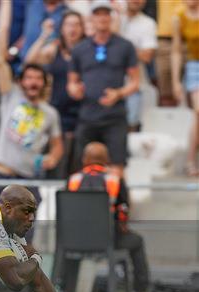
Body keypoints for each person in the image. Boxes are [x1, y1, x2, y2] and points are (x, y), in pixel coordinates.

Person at [0, 6, 63, 243]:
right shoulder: (11, 96)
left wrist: (54, 158)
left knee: (24, 242)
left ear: (44, 83)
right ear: (22, 81)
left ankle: (23, 279)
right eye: (29, 77)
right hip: (0, 177)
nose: (33, 82)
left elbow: (58, 144)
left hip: (28, 182)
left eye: (38, 78)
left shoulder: (50, 113)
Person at [65, 142, 151, 292]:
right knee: (137, 241)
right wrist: (122, 225)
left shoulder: (72, 180)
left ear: (84, 159)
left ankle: (61, 287)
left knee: (64, 242)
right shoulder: (115, 180)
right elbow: (123, 210)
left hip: (75, 241)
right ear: (107, 160)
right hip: (107, 240)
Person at [67, 0, 139, 178]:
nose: (102, 18)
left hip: (114, 117)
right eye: (98, 13)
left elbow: (135, 81)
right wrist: (75, 89)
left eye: (106, 13)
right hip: (87, 115)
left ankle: (119, 204)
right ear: (91, 18)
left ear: (111, 17)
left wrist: (119, 93)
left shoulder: (125, 46)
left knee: (117, 166)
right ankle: (82, 203)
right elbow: (72, 82)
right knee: (80, 166)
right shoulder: (80, 49)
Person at [25, 10, 86, 177]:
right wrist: (44, 35)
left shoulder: (88, 50)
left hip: (82, 113)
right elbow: (30, 62)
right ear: (62, 28)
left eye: (76, 24)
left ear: (82, 28)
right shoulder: (54, 50)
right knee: (57, 163)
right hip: (57, 111)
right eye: (68, 24)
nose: (72, 29)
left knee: (76, 163)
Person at [118, 0, 158, 130]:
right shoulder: (113, 18)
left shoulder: (148, 23)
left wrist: (123, 47)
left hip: (134, 82)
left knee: (131, 124)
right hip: (109, 79)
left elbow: (147, 56)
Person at [171, 0, 199, 176]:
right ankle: (190, 161)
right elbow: (176, 50)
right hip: (194, 66)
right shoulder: (179, 17)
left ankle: (190, 160)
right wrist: (175, 81)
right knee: (198, 111)